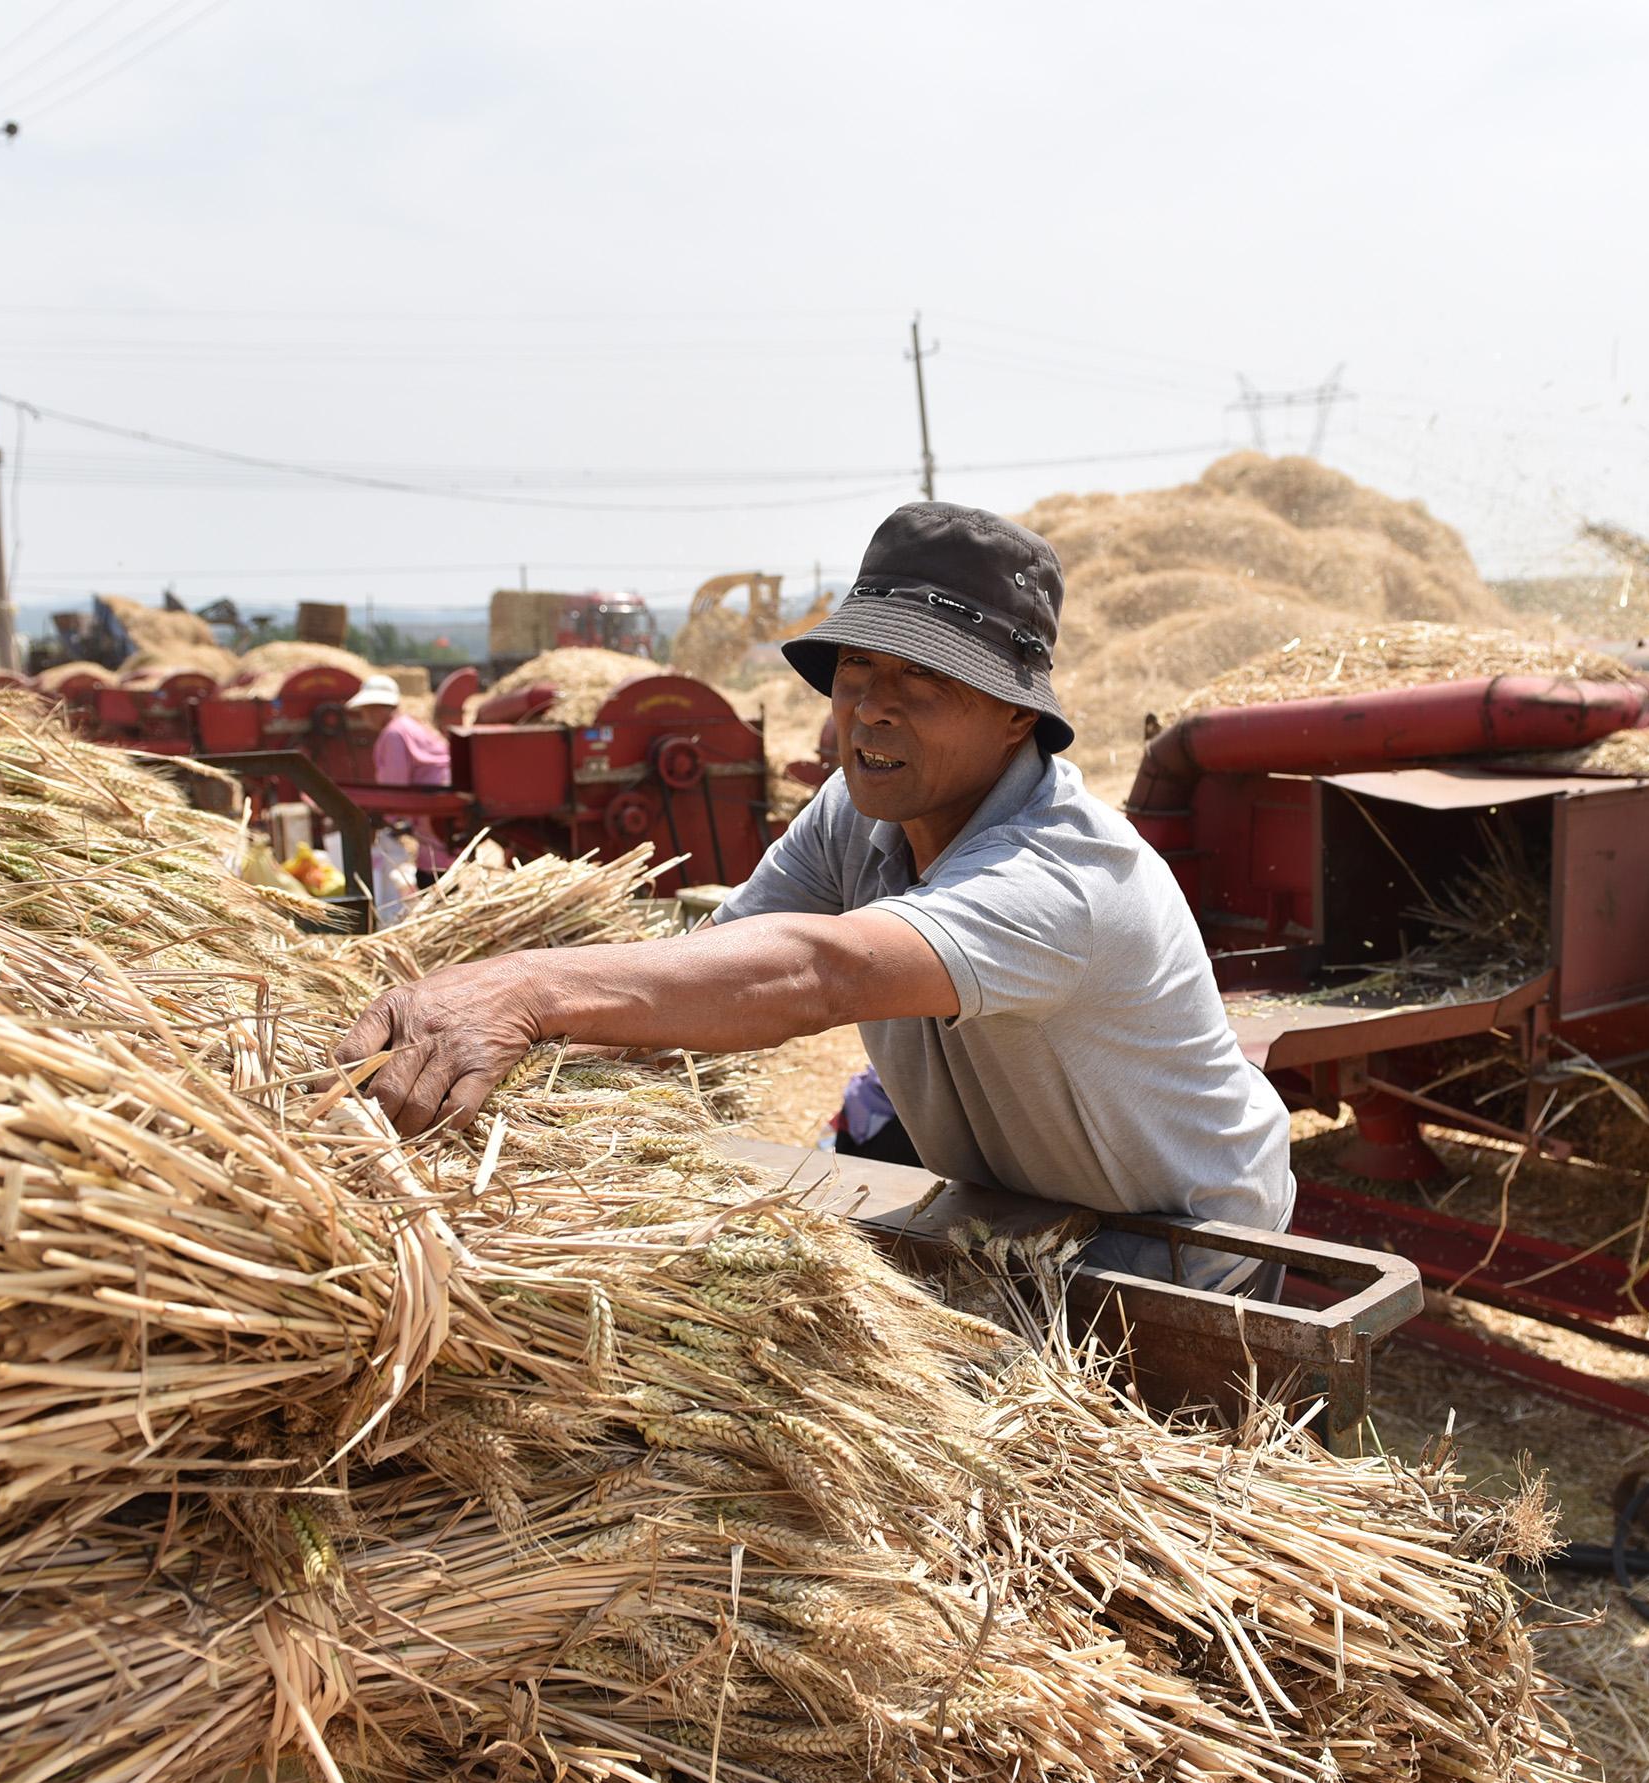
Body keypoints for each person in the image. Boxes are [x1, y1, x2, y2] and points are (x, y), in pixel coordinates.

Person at [335, 502, 1294, 1289]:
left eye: (923, 680)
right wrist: (516, 1074)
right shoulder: (855, 809)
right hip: (1023, 1203)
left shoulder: (1058, 875)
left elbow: (818, 973)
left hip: (1182, 1240)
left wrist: (524, 991)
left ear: (1015, 715)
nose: (871, 706)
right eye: (858, 671)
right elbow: (723, 958)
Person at [345, 673, 455, 879]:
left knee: (432, 869)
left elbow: (394, 787)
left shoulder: (393, 734)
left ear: (377, 708)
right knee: (439, 861)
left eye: (367, 710)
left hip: (432, 803)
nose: (364, 715)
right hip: (440, 798)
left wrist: (384, 817)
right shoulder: (408, 724)